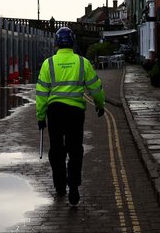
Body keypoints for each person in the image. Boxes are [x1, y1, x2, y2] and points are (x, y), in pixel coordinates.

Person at [36, 26, 105, 205]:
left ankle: (60, 186)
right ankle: (74, 186)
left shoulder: (48, 64)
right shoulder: (83, 63)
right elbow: (95, 88)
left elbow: (42, 93)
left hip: (55, 112)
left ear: (56, 43)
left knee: (56, 151)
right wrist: (100, 105)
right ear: (72, 42)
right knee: (75, 150)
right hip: (75, 113)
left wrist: (40, 116)